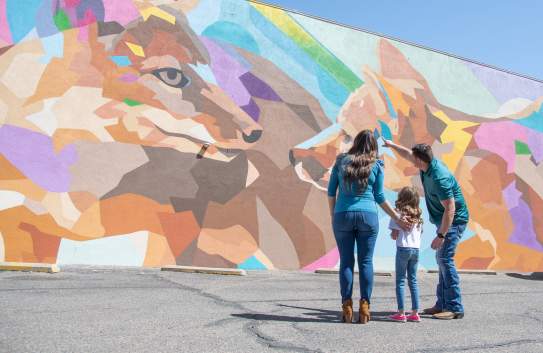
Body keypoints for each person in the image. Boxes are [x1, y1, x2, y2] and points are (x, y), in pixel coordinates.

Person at [328, 130, 410, 324]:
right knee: (366, 261)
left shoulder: (341, 161)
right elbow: (380, 197)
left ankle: (346, 307)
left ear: (355, 143)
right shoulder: (377, 164)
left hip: (343, 215)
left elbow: (331, 192)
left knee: (346, 262)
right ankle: (365, 308)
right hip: (368, 217)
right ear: (374, 146)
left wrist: (333, 215)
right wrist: (397, 217)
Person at [383, 140, 469, 320]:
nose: (411, 160)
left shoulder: (439, 177)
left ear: (421, 160)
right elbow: (408, 153)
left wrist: (441, 234)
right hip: (444, 221)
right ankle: (442, 304)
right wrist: (391, 145)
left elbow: (450, 208)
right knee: (442, 260)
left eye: (415, 158)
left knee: (445, 259)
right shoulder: (427, 166)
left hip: (454, 221)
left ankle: (455, 307)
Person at [387, 186, 423, 323]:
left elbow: (394, 235)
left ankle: (401, 312)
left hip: (403, 249)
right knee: (413, 280)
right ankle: (415, 313)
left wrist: (393, 231)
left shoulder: (398, 214)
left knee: (400, 281)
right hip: (416, 250)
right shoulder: (419, 215)